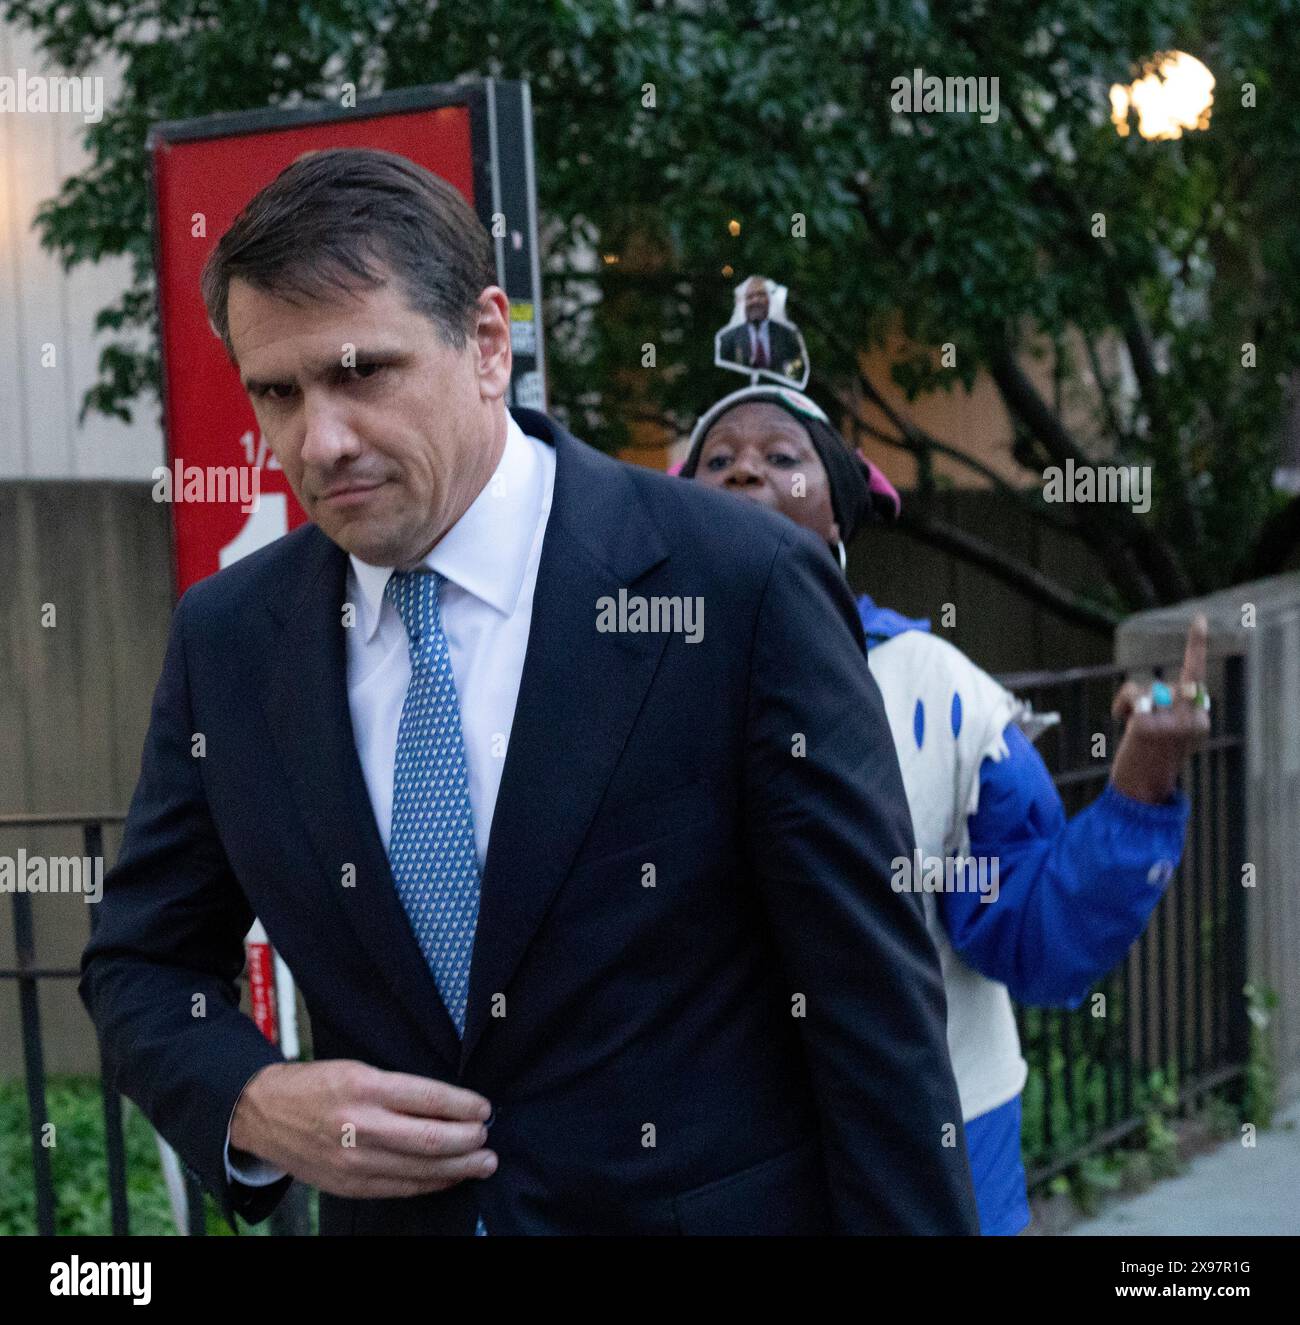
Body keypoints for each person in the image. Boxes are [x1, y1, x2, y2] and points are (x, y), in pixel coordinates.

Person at [79, 149, 979, 1236]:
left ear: (488, 344)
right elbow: (141, 959)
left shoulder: (734, 586)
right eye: (279, 391)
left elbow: (869, 1009)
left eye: (362, 372)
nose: (319, 440)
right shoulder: (228, 639)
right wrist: (252, 1099)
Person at [680, 382, 1210, 1235]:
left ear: (840, 518)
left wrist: (1142, 779)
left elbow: (1036, 937)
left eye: (782, 457)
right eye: (717, 459)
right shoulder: (624, 687)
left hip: (940, 1139)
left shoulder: (940, 690)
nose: (744, 470)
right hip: (710, 1163)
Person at [716, 275, 806, 382]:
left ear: (769, 300)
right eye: (750, 297)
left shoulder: (787, 335)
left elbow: (796, 372)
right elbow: (723, 378)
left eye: (761, 295)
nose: (755, 301)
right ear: (743, 303)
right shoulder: (728, 339)